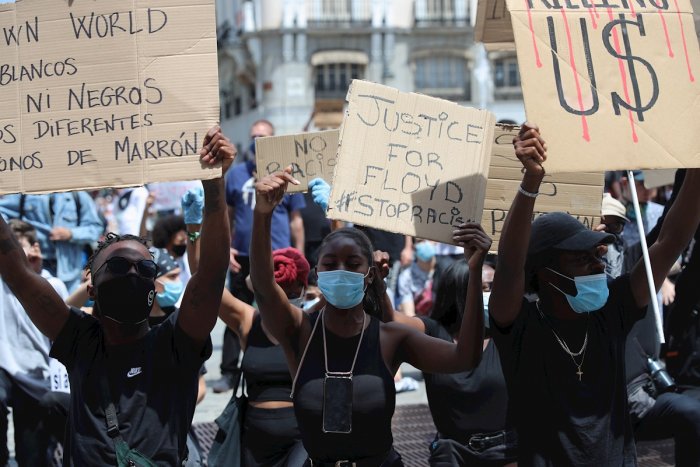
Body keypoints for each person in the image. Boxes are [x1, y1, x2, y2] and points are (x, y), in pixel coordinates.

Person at [0, 125, 234, 465]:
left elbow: (210, 276)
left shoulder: (174, 344)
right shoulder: (81, 340)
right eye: (120, 265)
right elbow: (18, 275)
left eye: (144, 269)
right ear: (92, 287)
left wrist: (215, 185)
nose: (133, 273)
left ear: (154, 288)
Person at [488, 122, 700, 465]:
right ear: (545, 273)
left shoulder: (612, 311)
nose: (597, 265)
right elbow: (511, 266)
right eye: (580, 258)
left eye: (597, 255)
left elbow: (670, 241)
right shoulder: (522, 329)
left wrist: (697, 165)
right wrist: (530, 182)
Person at [249, 167, 487, 467]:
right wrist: (263, 214)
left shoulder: (391, 337)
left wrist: (476, 271)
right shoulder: (299, 332)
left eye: (352, 263)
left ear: (370, 274)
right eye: (331, 263)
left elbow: (465, 358)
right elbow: (263, 285)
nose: (341, 271)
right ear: (317, 273)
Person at [181, 186, 309, 466]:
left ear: (304, 290)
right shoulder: (249, 321)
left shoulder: (312, 323)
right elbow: (205, 283)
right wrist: (193, 229)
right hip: (254, 438)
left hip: (303, 438)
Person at [384, 253, 517, 466]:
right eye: (483, 288)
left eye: (493, 286)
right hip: (451, 454)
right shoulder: (433, 332)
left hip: (506, 453)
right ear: (459, 292)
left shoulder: (511, 334)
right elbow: (388, 318)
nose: (490, 294)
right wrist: (375, 281)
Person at [216, 119, 306, 394]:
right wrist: (227, 245)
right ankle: (229, 373)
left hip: (279, 256)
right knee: (238, 313)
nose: (257, 142)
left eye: (263, 137)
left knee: (284, 310)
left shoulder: (287, 174)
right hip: (242, 255)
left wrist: (299, 254)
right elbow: (228, 214)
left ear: (273, 139)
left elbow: (296, 220)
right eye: (253, 136)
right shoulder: (237, 174)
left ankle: (288, 365)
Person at [0, 220, 69, 466]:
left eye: (15, 248)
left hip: (39, 379)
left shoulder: (54, 284)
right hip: (5, 370)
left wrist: (33, 272)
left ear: (34, 249)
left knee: (31, 457)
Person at [0, 191, 105, 292]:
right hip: (34, 267)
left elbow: (95, 228)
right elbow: (2, 213)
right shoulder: (25, 194)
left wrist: (71, 234)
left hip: (69, 274)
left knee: (69, 307)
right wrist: (18, 234)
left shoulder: (78, 195)